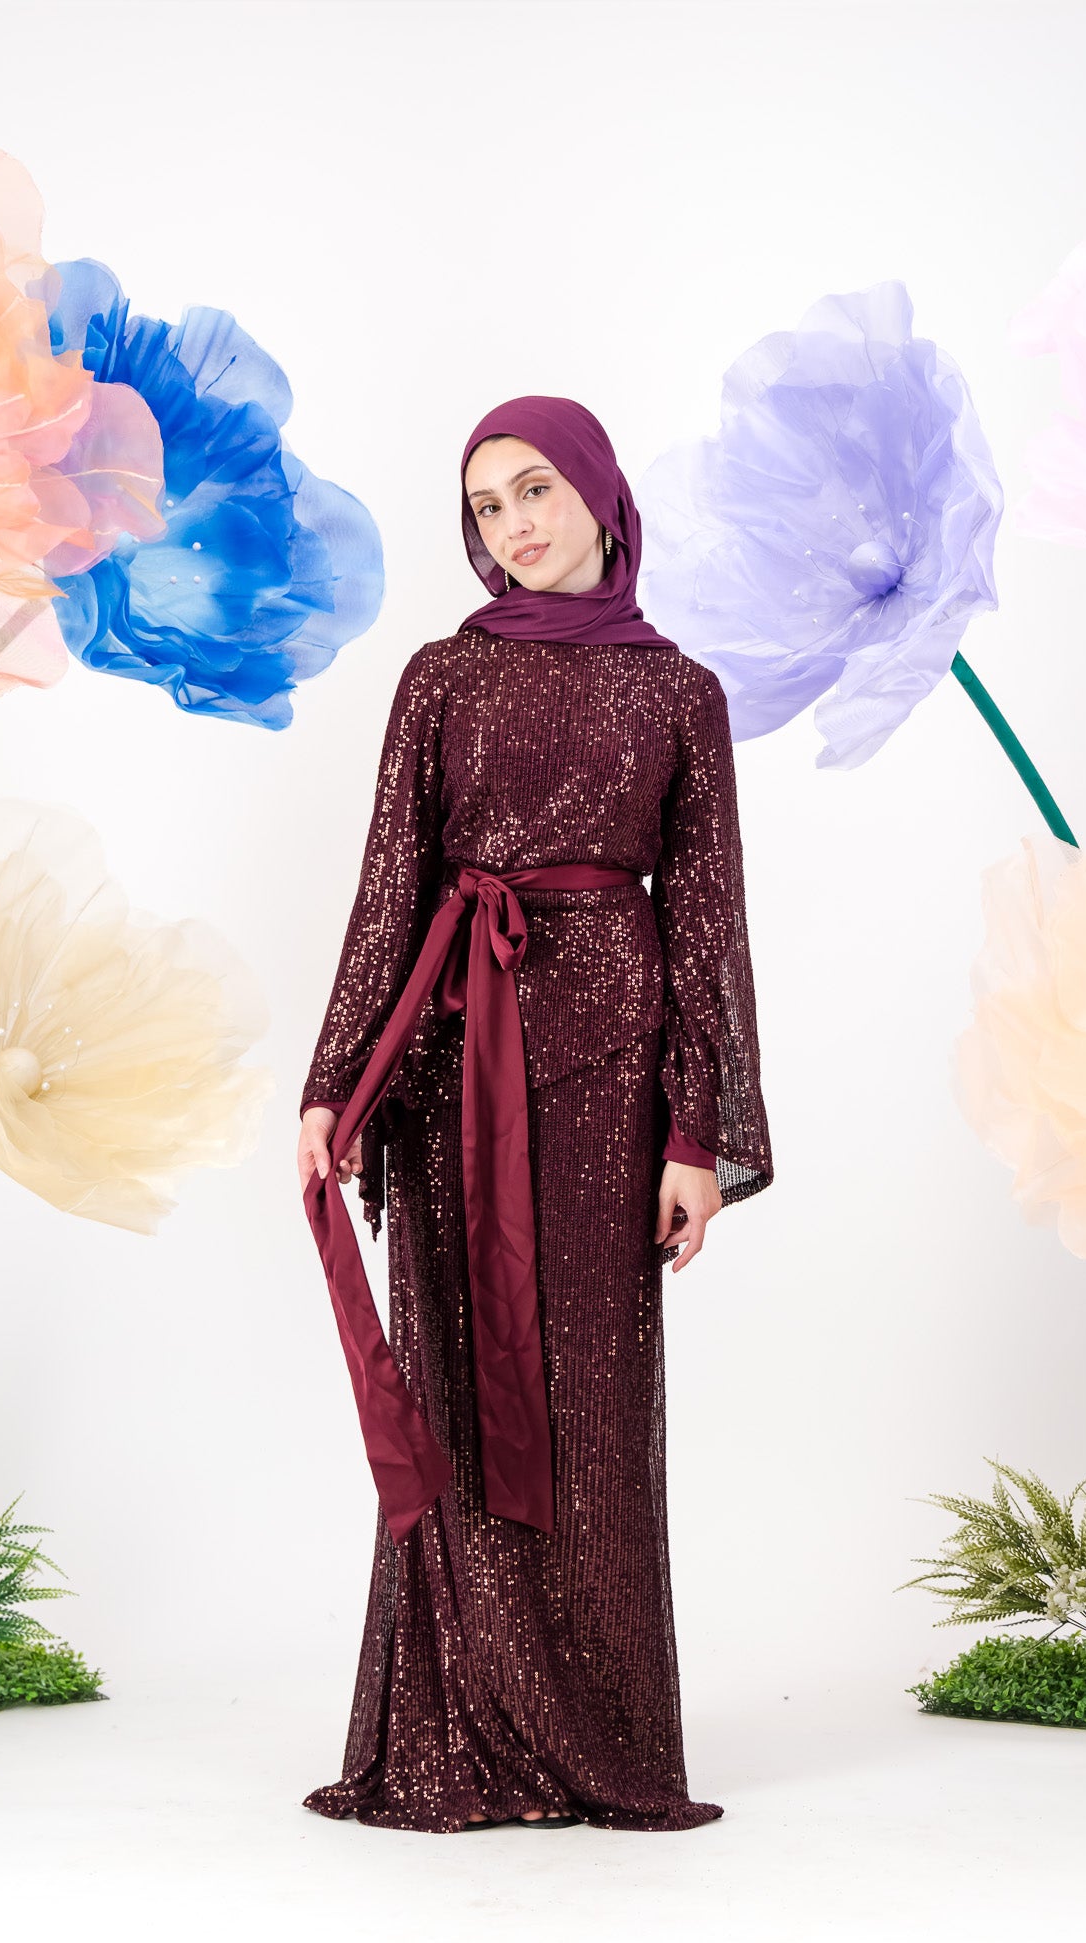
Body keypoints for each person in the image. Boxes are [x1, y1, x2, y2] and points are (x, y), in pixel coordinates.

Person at [296, 394, 773, 1834]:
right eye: (486, 505)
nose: (513, 525)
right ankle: (462, 1732)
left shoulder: (681, 694)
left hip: (609, 1078)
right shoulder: (441, 677)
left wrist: (697, 1135)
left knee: (595, 1402)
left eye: (535, 490)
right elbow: (390, 886)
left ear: (600, 495)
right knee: (455, 1381)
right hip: (454, 1068)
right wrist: (335, 1082)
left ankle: (602, 1734)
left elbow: (707, 923)